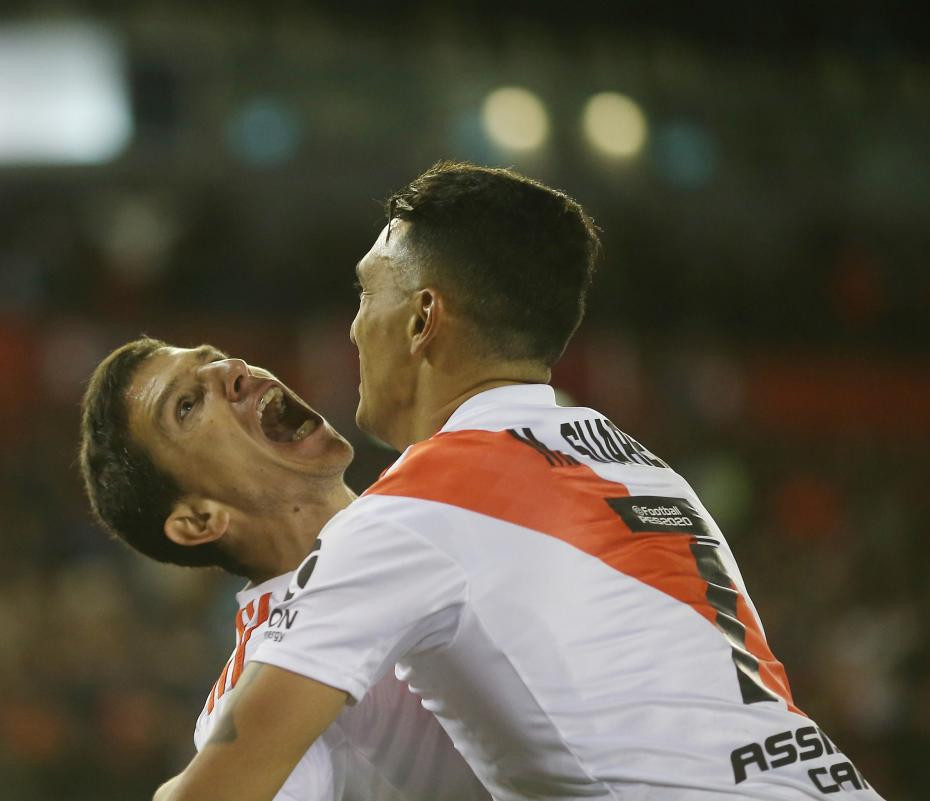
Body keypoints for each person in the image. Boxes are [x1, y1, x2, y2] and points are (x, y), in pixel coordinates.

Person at [152, 162, 886, 801]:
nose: (352, 328)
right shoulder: (639, 464)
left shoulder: (409, 513)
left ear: (421, 320)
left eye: (365, 293)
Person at [78, 337, 489, 801]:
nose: (231, 369)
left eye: (214, 360)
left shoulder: (434, 496)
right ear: (199, 520)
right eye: (187, 406)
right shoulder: (259, 682)